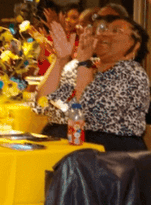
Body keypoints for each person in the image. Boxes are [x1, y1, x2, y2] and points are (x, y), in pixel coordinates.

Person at [33, 17, 150, 151]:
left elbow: (88, 111)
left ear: (135, 45)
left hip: (108, 153)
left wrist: (83, 63)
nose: (104, 33)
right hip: (61, 144)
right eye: (103, 29)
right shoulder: (76, 66)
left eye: (116, 31)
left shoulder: (133, 74)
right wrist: (60, 60)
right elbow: (41, 104)